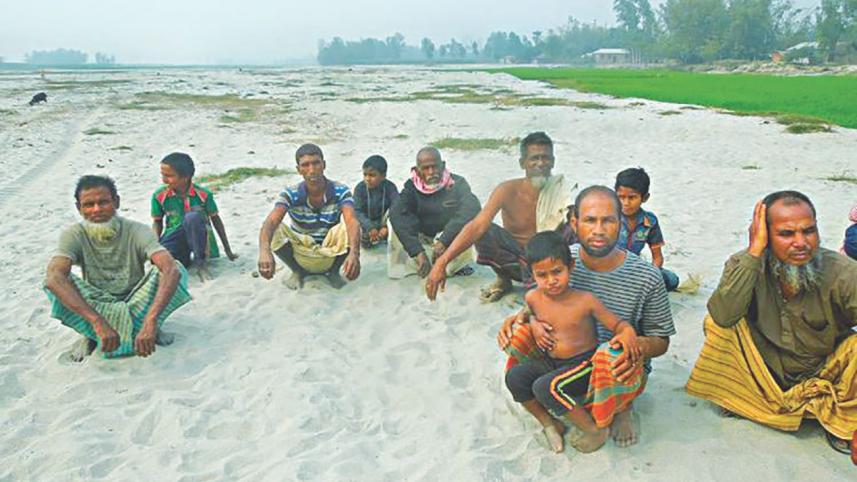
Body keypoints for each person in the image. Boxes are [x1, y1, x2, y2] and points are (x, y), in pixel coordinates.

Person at [498, 186, 676, 448]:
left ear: (621, 223)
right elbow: (539, 300)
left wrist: (635, 345)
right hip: (563, 357)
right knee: (520, 337)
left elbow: (661, 340)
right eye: (590, 220)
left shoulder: (647, 276)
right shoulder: (558, 260)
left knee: (610, 351)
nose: (599, 230)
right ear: (575, 222)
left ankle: (621, 406)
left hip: (615, 365)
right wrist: (527, 320)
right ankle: (554, 417)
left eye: (608, 220)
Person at [686, 191, 857, 454]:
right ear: (764, 234)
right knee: (719, 325)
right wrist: (754, 252)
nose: (801, 242)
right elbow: (723, 315)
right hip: (764, 373)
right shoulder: (745, 264)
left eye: (808, 231)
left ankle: (841, 423)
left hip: (824, 370)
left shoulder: (843, 273)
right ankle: (746, 399)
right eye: (787, 234)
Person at [504, 231, 640, 453]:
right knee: (515, 377)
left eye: (557, 272)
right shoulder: (532, 297)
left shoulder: (585, 301)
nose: (551, 281)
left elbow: (618, 325)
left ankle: (594, 429)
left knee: (546, 387)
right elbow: (528, 313)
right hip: (552, 362)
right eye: (542, 275)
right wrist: (533, 322)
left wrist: (627, 333)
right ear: (532, 274)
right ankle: (550, 423)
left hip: (585, 365)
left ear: (571, 266)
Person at [44, 175, 191, 361]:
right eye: (89, 204)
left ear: (117, 202)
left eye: (103, 202)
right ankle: (92, 333)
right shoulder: (74, 234)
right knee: (54, 279)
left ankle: (149, 326)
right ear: (79, 208)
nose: (96, 210)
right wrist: (97, 321)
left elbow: (170, 268)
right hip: (98, 305)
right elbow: (54, 276)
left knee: (174, 268)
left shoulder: (137, 230)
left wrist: (151, 320)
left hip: (137, 302)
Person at [425, 132, 575, 302]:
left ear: (553, 161)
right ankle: (504, 280)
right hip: (515, 262)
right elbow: (477, 226)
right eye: (534, 158)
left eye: (545, 158)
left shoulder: (561, 191)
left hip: (549, 265)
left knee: (573, 227)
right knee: (483, 228)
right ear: (522, 163)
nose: (540, 163)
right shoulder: (507, 190)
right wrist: (442, 262)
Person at [257, 143, 361, 289]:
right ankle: (297, 271)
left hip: (329, 248)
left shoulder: (340, 191)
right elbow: (271, 221)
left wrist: (354, 254)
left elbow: (352, 221)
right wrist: (264, 251)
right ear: (298, 170)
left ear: (324, 165)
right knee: (275, 228)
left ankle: (333, 272)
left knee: (350, 226)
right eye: (305, 165)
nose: (312, 170)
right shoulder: (290, 194)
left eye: (316, 163)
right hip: (302, 249)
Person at [387, 147, 480, 279]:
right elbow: (396, 213)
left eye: (435, 167)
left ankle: (456, 267)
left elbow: (472, 208)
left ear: (443, 166)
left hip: (448, 238)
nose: (431, 172)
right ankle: (418, 264)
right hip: (422, 238)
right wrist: (417, 251)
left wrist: (444, 240)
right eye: (425, 168)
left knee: (471, 223)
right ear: (417, 170)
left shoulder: (458, 183)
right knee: (394, 222)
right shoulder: (411, 187)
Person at [152, 152, 237, 281]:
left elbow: (216, 220)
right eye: (163, 175)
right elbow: (157, 222)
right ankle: (184, 259)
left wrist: (228, 250)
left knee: (193, 217)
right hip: (175, 237)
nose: (164, 180)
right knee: (163, 262)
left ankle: (200, 264)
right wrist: (155, 248)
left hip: (200, 240)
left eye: (169, 176)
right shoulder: (159, 195)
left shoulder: (203, 195)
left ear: (185, 177)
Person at [614, 167, 679, 291]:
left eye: (632, 198)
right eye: (621, 197)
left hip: (634, 269)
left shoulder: (650, 222)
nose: (626, 203)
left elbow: (657, 257)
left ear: (645, 198)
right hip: (608, 268)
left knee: (672, 280)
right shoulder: (607, 218)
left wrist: (651, 275)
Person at [353, 155, 398, 248]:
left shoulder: (390, 187)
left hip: (383, 222)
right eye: (365, 174)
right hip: (366, 222)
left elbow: (397, 207)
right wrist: (370, 227)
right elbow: (357, 211)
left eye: (372, 175)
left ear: (383, 176)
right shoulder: (360, 188)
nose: (367, 179)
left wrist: (386, 227)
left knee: (398, 219)